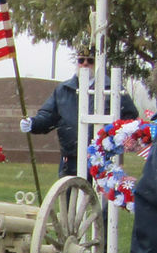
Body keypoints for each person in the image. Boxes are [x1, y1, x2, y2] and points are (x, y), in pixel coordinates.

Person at [19, 49, 138, 177]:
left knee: (98, 196)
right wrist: (33, 123)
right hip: (71, 160)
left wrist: (114, 138)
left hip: (103, 159)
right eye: (81, 60)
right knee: (71, 196)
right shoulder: (63, 90)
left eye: (90, 60)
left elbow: (130, 117)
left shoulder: (112, 88)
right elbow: (48, 116)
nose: (85, 64)